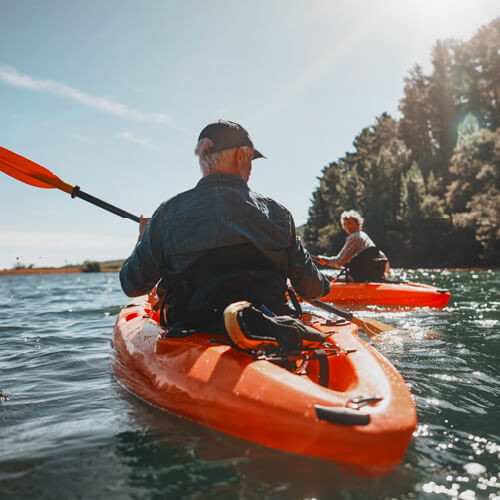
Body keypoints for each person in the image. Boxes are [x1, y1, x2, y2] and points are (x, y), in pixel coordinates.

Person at [120, 120, 330, 333]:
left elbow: (133, 285)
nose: (250, 167)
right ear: (240, 156)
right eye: (250, 159)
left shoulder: (167, 214)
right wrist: (323, 282)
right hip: (269, 332)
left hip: (193, 332)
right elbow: (312, 289)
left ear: (203, 158)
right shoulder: (279, 215)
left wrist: (143, 237)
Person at [314, 210, 389, 282]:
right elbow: (383, 256)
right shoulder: (364, 236)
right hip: (370, 276)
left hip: (356, 278)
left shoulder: (354, 237)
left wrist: (324, 260)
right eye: (344, 224)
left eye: (349, 223)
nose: (347, 226)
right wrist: (385, 274)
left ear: (357, 224)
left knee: (318, 275)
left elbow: (338, 262)